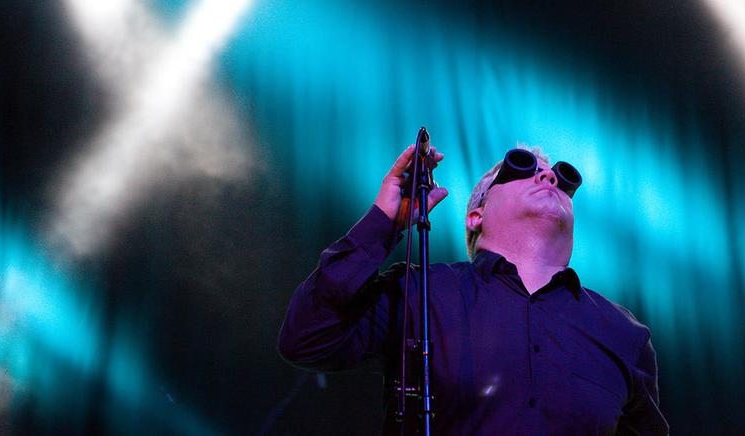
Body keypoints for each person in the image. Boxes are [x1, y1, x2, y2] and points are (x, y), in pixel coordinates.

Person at [278, 143, 669, 435]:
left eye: (559, 179)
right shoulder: (420, 293)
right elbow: (307, 339)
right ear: (475, 215)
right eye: (521, 169)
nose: (549, 178)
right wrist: (384, 223)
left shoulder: (623, 333)